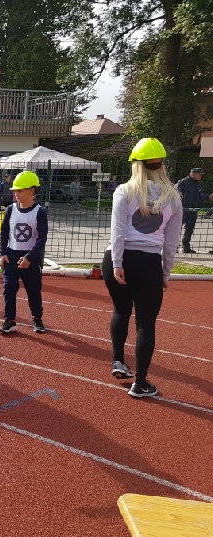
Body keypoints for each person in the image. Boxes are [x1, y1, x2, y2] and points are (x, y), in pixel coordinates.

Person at [102, 138, 182, 398]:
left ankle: (118, 361)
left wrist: (116, 263)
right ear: (161, 164)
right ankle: (141, 382)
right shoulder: (173, 197)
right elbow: (171, 242)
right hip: (148, 263)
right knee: (146, 323)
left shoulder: (124, 191)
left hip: (119, 259)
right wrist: (165, 273)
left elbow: (117, 231)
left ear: (136, 164)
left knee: (120, 309)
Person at [0, 171, 49, 334]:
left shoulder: (39, 212)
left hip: (31, 258)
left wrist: (29, 257)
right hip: (11, 256)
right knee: (9, 287)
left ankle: (37, 319)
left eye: (20, 190)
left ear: (32, 191)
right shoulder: (10, 210)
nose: (16, 194)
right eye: (15, 190)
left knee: (33, 290)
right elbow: (4, 232)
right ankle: (9, 320)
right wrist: (2, 252)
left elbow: (41, 238)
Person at [176, 167, 205, 253]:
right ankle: (174, 246)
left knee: (189, 229)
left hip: (193, 210)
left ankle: (186, 247)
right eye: (200, 174)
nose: (201, 176)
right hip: (183, 209)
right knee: (177, 229)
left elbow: (200, 195)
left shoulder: (199, 183)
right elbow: (175, 193)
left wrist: (208, 197)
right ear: (193, 174)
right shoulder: (183, 182)